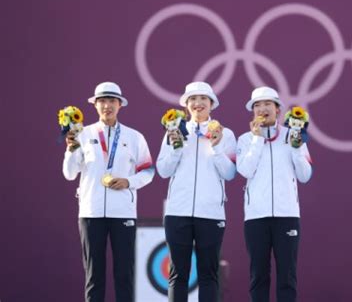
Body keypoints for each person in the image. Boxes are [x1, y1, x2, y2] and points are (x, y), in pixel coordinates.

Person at [62, 82, 155, 302]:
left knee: (125, 275)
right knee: (94, 276)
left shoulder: (134, 137)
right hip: (91, 213)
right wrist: (70, 149)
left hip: (123, 213)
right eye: (102, 101)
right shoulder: (82, 134)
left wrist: (128, 181)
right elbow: (69, 173)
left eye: (112, 101)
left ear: (120, 105)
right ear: (95, 105)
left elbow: (148, 171)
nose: (107, 106)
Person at [156, 81, 236, 302]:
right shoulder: (174, 130)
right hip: (177, 212)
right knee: (177, 275)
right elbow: (163, 170)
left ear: (212, 104)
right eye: (192, 99)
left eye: (203, 99)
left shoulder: (225, 134)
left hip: (211, 214)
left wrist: (217, 146)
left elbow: (230, 174)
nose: (198, 103)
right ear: (186, 105)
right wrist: (175, 148)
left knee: (208, 275)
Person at [236, 86, 313, 302]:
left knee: (287, 276)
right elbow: (244, 171)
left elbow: (305, 175)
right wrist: (257, 139)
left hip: (287, 215)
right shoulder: (244, 139)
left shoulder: (293, 135)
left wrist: (297, 148)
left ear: (278, 109)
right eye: (257, 105)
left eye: (267, 104)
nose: (262, 109)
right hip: (255, 217)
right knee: (258, 275)